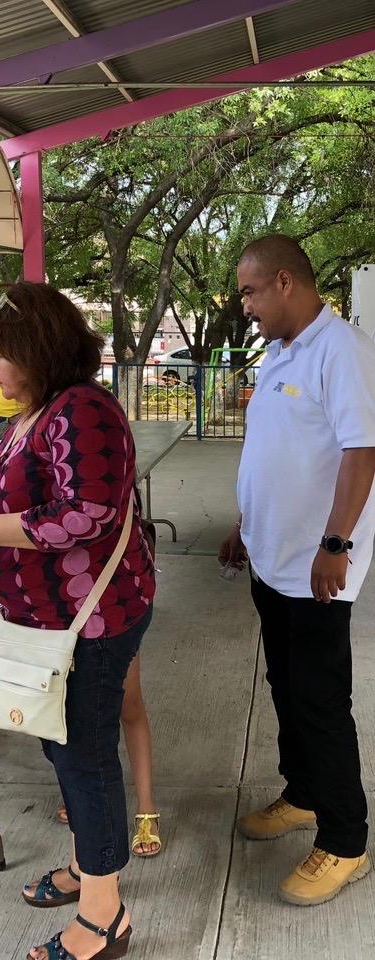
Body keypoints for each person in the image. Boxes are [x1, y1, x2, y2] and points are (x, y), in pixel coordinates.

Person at [0, 283, 156, 960]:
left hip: (91, 621)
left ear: (38, 350)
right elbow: (14, 490)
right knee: (63, 744)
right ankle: (88, 864)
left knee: (84, 757)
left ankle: (105, 913)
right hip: (50, 621)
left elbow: (89, 513)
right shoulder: (42, 409)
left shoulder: (84, 409)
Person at [220, 234, 375, 906]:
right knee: (286, 686)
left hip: (318, 569)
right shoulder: (282, 350)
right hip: (271, 558)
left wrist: (335, 544)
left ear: (285, 281)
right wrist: (244, 524)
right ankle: (304, 794)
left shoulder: (341, 351)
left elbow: (360, 454)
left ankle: (346, 842)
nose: (245, 305)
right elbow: (276, 449)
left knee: (320, 701)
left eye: (250, 291)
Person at [56, 655, 162, 858]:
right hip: (65, 630)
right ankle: (78, 793)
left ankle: (146, 807)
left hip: (113, 628)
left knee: (129, 704)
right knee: (71, 708)